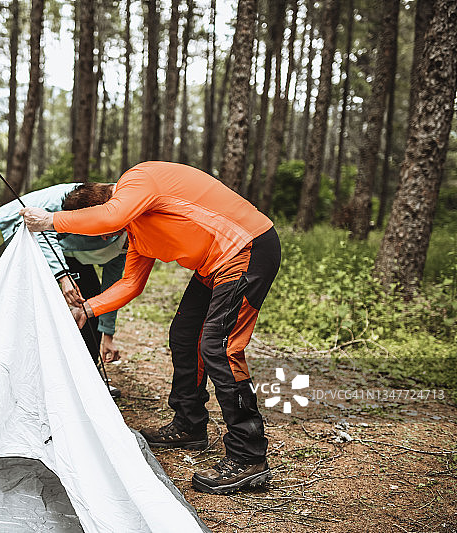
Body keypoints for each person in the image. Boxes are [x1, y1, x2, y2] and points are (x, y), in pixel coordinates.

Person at [19, 161, 281, 495]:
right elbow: (130, 283)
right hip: (214, 264)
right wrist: (86, 309)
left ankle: (249, 457)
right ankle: (190, 425)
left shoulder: (137, 181)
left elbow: (110, 217)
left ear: (98, 210)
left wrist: (50, 220)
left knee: (219, 346)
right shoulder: (136, 229)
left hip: (247, 247)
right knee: (185, 336)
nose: (103, 237)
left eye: (94, 231)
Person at [0, 183, 127, 395]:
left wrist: (108, 336)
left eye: (112, 233)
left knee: (88, 305)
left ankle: (86, 378)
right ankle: (24, 375)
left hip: (71, 248)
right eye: (105, 232)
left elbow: (112, 288)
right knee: (35, 306)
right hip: (31, 236)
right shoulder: (66, 206)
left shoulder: (122, 228)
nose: (107, 237)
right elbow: (40, 232)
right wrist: (63, 277)